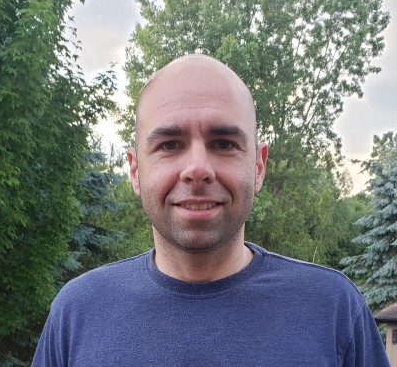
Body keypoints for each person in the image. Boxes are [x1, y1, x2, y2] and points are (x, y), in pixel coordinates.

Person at [32, 54, 389, 366]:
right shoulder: (77, 313)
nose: (198, 168)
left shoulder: (333, 309)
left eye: (223, 143)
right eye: (169, 144)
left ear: (258, 166)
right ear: (136, 170)